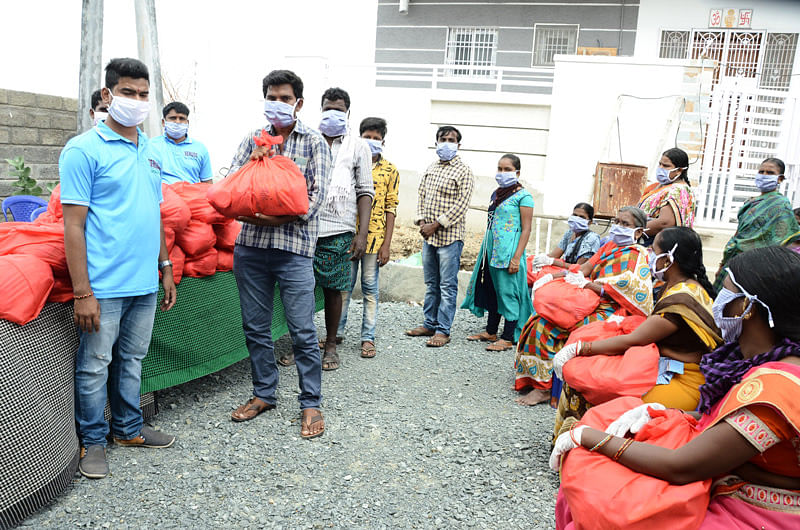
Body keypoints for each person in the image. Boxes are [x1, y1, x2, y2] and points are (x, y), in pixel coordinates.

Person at [551, 246, 800, 529]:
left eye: (727, 293)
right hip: (736, 474)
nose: (718, 301)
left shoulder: (775, 385)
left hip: (758, 509)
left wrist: (588, 437)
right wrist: (667, 414)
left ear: (746, 307)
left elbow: (681, 466)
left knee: (611, 502)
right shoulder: (760, 359)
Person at [60, 58, 177, 479]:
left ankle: (128, 429)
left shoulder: (150, 149)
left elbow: (154, 212)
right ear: (108, 95)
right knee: (94, 365)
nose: (137, 101)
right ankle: (92, 441)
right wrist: (83, 292)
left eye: (144, 95)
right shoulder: (82, 150)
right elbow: (72, 225)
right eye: (129, 92)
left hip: (144, 282)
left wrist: (164, 265)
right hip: (103, 287)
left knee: (131, 360)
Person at [228, 70, 331, 440]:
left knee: (302, 330)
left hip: (294, 252)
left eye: (285, 98)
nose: (278, 104)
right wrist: (254, 162)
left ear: (298, 103)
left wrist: (265, 215)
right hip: (251, 249)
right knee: (255, 328)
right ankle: (264, 393)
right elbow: (231, 190)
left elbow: (313, 202)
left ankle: (310, 402)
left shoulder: (315, 143)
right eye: (272, 97)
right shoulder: (251, 140)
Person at [551, 227, 721, 438]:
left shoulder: (681, 299)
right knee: (591, 373)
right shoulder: (682, 285)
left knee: (598, 388)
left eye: (653, 249)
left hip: (684, 379)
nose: (648, 253)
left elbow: (634, 340)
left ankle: (585, 444)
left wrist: (579, 349)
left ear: (668, 259)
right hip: (666, 365)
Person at [515, 206, 653, 406]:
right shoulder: (610, 246)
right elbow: (585, 268)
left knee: (551, 326)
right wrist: (555, 276)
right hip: (590, 299)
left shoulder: (636, 255)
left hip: (613, 310)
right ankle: (533, 379)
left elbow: (630, 291)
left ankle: (544, 389)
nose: (618, 227)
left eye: (625, 224)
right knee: (539, 318)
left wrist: (590, 285)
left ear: (638, 232)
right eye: (617, 222)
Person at [313, 88, 374, 371]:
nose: (332, 113)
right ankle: (303, 343)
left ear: (347, 113)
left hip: (339, 227)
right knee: (300, 288)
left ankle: (332, 344)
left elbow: (365, 191)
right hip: (305, 225)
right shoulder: (309, 139)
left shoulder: (358, 146)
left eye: (338, 109)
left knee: (334, 289)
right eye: (328, 108)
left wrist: (361, 234)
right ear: (320, 109)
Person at [405, 126, 475, 347]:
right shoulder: (431, 168)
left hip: (449, 237)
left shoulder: (464, 171)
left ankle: (443, 330)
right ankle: (429, 323)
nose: (446, 143)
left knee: (447, 285)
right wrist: (422, 222)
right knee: (431, 282)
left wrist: (436, 225)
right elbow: (421, 195)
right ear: (436, 143)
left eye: (451, 140)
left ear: (458, 145)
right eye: (443, 139)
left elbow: (461, 205)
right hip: (428, 237)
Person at [338, 117, 399, 359]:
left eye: (376, 138)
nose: (371, 141)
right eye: (367, 136)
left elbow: (391, 207)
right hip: (349, 236)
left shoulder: (390, 170)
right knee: (344, 287)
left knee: (370, 289)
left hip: (375, 240)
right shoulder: (349, 163)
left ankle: (367, 338)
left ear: (383, 141)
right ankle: (337, 333)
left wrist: (387, 244)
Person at [462, 154, 534, 351]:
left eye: (507, 169)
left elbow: (526, 228)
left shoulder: (524, 197)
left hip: (509, 251)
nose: (502, 173)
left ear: (517, 173)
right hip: (491, 249)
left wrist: (517, 257)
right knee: (493, 289)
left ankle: (508, 337)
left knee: (508, 292)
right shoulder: (496, 193)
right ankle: (491, 331)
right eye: (499, 169)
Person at [713, 157, 799, 292]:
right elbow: (739, 232)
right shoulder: (751, 202)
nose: (764, 175)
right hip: (734, 259)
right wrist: (722, 264)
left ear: (780, 179)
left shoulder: (781, 205)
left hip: (757, 264)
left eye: (770, 173)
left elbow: (783, 238)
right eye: (761, 171)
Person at [637, 147, 696, 246]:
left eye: (666, 166)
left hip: (656, 244)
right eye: (660, 164)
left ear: (679, 170)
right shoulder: (657, 186)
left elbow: (665, 223)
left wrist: (633, 230)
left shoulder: (679, 190)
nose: (660, 168)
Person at [149, 101, 213, 184]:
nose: (177, 122)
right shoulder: (151, 146)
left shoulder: (200, 148)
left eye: (182, 118)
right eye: (173, 118)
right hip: (161, 196)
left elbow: (207, 183)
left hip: (192, 195)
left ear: (187, 123)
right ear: (163, 122)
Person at [530, 203, 601, 274]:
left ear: (590, 222)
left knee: (543, 275)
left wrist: (551, 261)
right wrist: (540, 258)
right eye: (575, 215)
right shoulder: (570, 233)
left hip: (575, 274)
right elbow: (554, 255)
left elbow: (579, 268)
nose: (577, 219)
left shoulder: (592, 238)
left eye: (582, 217)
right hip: (563, 267)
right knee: (529, 263)